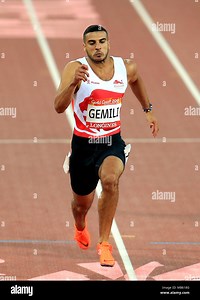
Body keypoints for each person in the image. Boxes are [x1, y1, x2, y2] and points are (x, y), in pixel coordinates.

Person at [54, 24, 159, 267]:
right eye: (92, 43)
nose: (98, 47)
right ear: (85, 47)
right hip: (83, 145)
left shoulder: (125, 67)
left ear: (108, 43)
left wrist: (148, 111)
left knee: (111, 180)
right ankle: (80, 225)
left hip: (111, 142)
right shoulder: (75, 68)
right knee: (82, 205)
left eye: (102, 42)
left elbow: (136, 80)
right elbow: (58, 107)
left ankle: (104, 244)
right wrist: (72, 85)